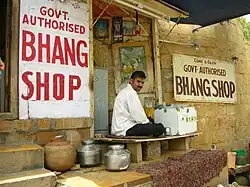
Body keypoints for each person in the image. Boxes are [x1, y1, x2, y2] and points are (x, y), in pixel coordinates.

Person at [111, 70, 166, 137]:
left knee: (151, 120)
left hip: (122, 127)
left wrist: (148, 121)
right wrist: (148, 123)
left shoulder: (126, 91)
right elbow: (137, 113)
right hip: (125, 129)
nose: (140, 85)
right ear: (131, 81)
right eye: (138, 81)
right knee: (159, 128)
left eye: (142, 83)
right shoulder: (130, 93)